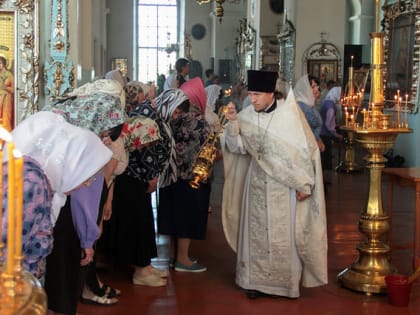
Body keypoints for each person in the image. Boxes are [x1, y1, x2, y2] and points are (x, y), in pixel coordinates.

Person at [221, 70, 327, 299]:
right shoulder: (247, 115)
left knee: (283, 235)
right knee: (256, 232)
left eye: (257, 94)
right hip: (257, 182)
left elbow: (305, 152)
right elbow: (236, 147)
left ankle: (285, 285)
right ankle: (254, 282)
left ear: (271, 93)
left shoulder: (290, 115)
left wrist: (304, 184)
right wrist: (232, 124)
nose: (253, 99)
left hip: (284, 189)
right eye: (251, 94)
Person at [156, 86, 210, 273]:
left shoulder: (163, 120)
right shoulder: (196, 122)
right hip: (190, 177)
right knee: (187, 218)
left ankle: (175, 257)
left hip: (169, 176)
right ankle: (183, 259)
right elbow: (206, 148)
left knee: (173, 217)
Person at [294, 74, 325, 152]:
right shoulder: (302, 106)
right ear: (305, 89)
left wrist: (318, 140)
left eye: (317, 86)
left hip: (313, 146)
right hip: (306, 148)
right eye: (313, 87)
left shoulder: (309, 104)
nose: (317, 89)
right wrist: (316, 142)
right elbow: (305, 130)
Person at [319, 86, 343, 171]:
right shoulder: (330, 106)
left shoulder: (328, 101)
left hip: (322, 132)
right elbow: (329, 123)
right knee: (326, 159)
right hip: (324, 134)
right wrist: (336, 134)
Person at [0, 56, 14, 131]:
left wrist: (5, 88)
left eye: (0, 63)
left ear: (4, 64)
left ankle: (6, 140)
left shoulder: (9, 75)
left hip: (6, 100)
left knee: (6, 119)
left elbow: (14, 90)